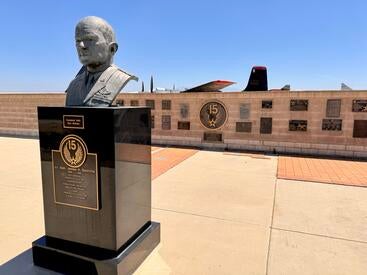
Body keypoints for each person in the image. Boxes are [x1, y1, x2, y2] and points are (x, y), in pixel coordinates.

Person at [65, 16, 137, 106]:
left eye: (90, 39)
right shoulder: (73, 85)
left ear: (112, 48)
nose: (81, 45)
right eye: (78, 40)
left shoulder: (120, 77)